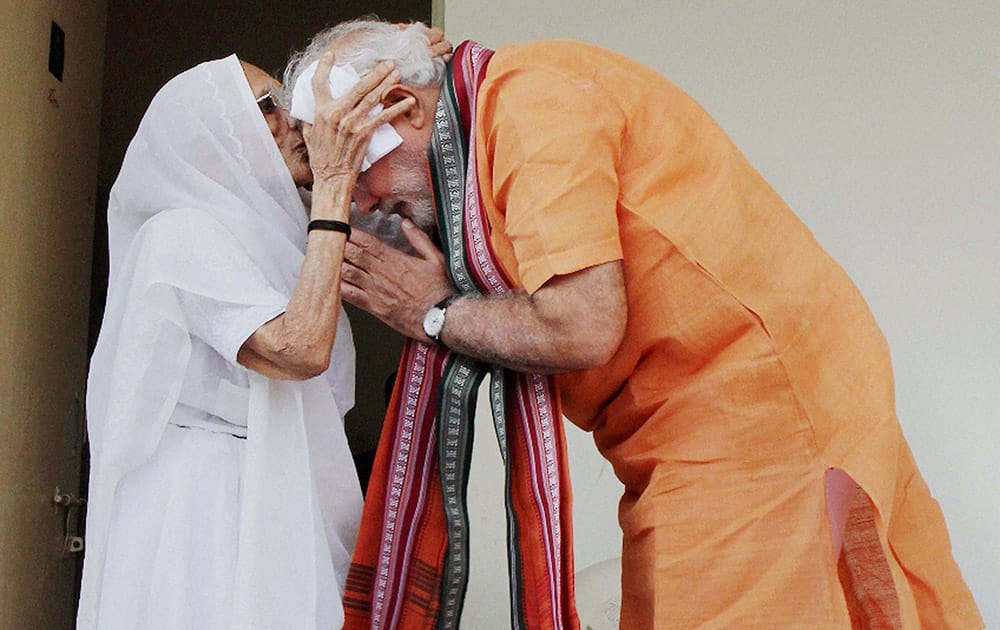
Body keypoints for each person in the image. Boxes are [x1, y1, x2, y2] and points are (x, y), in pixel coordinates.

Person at [283, 19, 985, 629]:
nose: (363, 200)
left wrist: (432, 312)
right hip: (692, 422)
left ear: (405, 107)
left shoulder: (527, 106)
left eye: (353, 166)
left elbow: (583, 325)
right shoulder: (484, 115)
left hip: (756, 411)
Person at [77, 51, 415, 629]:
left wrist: (406, 67)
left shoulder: (281, 228)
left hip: (274, 489)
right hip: (206, 510)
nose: (293, 120)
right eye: (267, 107)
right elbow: (299, 349)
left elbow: (408, 230)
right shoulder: (180, 233)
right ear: (211, 141)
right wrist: (333, 184)